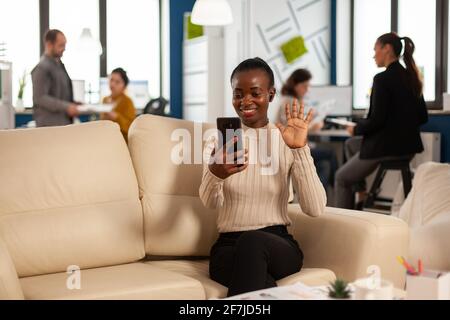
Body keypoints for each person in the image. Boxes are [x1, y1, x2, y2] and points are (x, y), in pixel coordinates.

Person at [199, 58, 326, 297]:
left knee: (253, 242)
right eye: (238, 94)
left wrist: (299, 150)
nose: (245, 101)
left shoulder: (285, 139)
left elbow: (315, 208)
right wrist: (215, 173)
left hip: (277, 244)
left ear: (271, 94)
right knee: (254, 273)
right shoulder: (218, 141)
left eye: (255, 93)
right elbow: (210, 203)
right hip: (228, 247)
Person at [335, 33, 428, 209]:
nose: (373, 55)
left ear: (387, 48)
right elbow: (422, 117)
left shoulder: (382, 79)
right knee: (350, 145)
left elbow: (376, 121)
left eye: (375, 49)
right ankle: (361, 193)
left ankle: (344, 221)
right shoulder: (411, 77)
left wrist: (355, 129)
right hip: (409, 148)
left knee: (341, 178)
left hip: (388, 147)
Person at [279, 69, 338, 192]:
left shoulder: (290, 100)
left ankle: (320, 196)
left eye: (308, 86)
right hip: (289, 149)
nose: (307, 90)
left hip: (293, 146)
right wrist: (312, 127)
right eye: (304, 86)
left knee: (324, 165)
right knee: (331, 154)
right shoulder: (290, 102)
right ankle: (337, 189)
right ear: (295, 85)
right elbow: (293, 132)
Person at [32, 29, 80, 127]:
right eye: (61, 45)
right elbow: (40, 97)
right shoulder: (41, 68)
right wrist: (67, 107)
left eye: (64, 45)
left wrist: (72, 103)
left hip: (62, 123)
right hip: (49, 127)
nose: (64, 49)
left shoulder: (59, 66)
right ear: (49, 44)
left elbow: (59, 95)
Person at [100, 68, 136, 141]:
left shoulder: (128, 102)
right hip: (106, 139)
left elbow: (131, 128)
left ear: (124, 86)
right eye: (111, 80)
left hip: (122, 141)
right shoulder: (105, 100)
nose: (112, 84)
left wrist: (116, 117)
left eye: (117, 82)